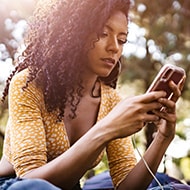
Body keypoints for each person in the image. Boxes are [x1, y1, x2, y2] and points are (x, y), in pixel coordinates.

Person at [0, 0, 185, 189]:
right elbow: (30, 180)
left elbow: (127, 185)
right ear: (74, 35)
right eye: (103, 34)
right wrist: (106, 128)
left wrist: (163, 138)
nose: (115, 47)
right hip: (14, 184)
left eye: (121, 40)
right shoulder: (29, 85)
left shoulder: (111, 101)